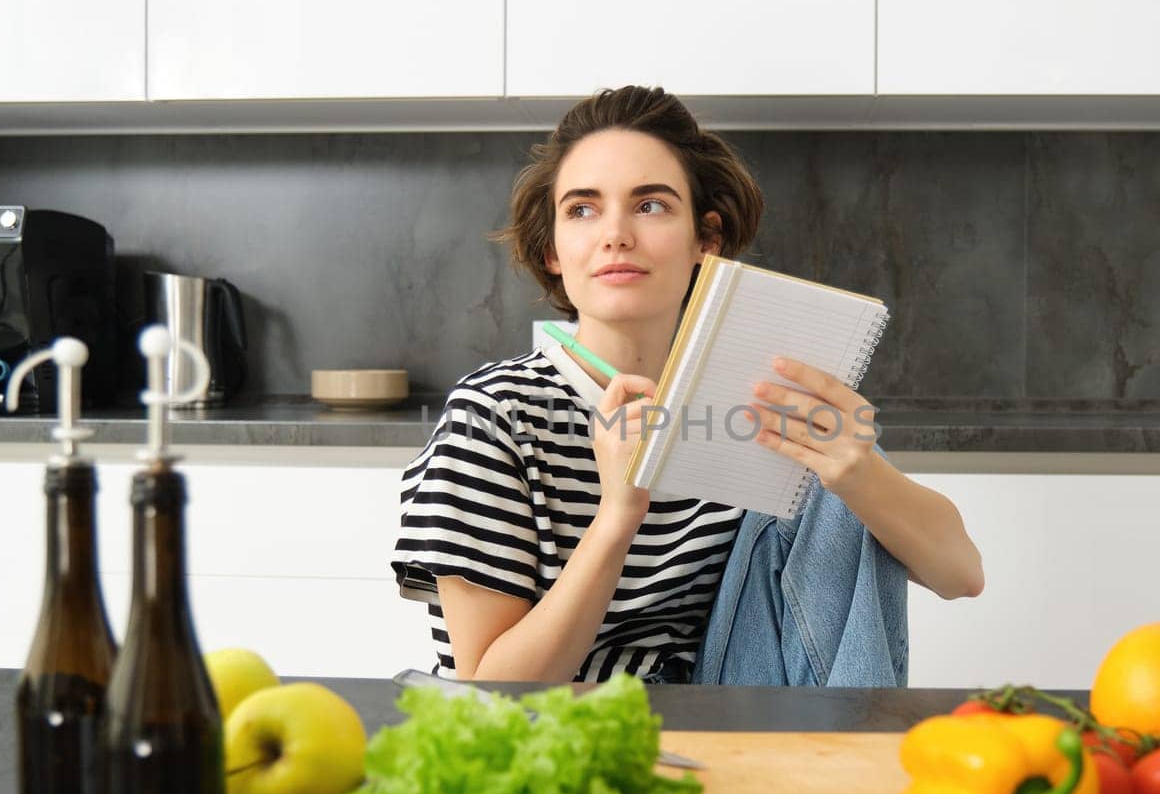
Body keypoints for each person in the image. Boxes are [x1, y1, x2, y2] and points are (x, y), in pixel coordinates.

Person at [392, 86, 983, 685]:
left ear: (706, 239)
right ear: (551, 250)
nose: (616, 234)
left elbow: (961, 575)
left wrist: (859, 472)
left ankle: (837, 755)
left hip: (722, 715)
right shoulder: (493, 415)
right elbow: (490, 687)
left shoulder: (748, 401)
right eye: (582, 209)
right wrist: (618, 515)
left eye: (650, 206)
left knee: (833, 453)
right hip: (556, 734)